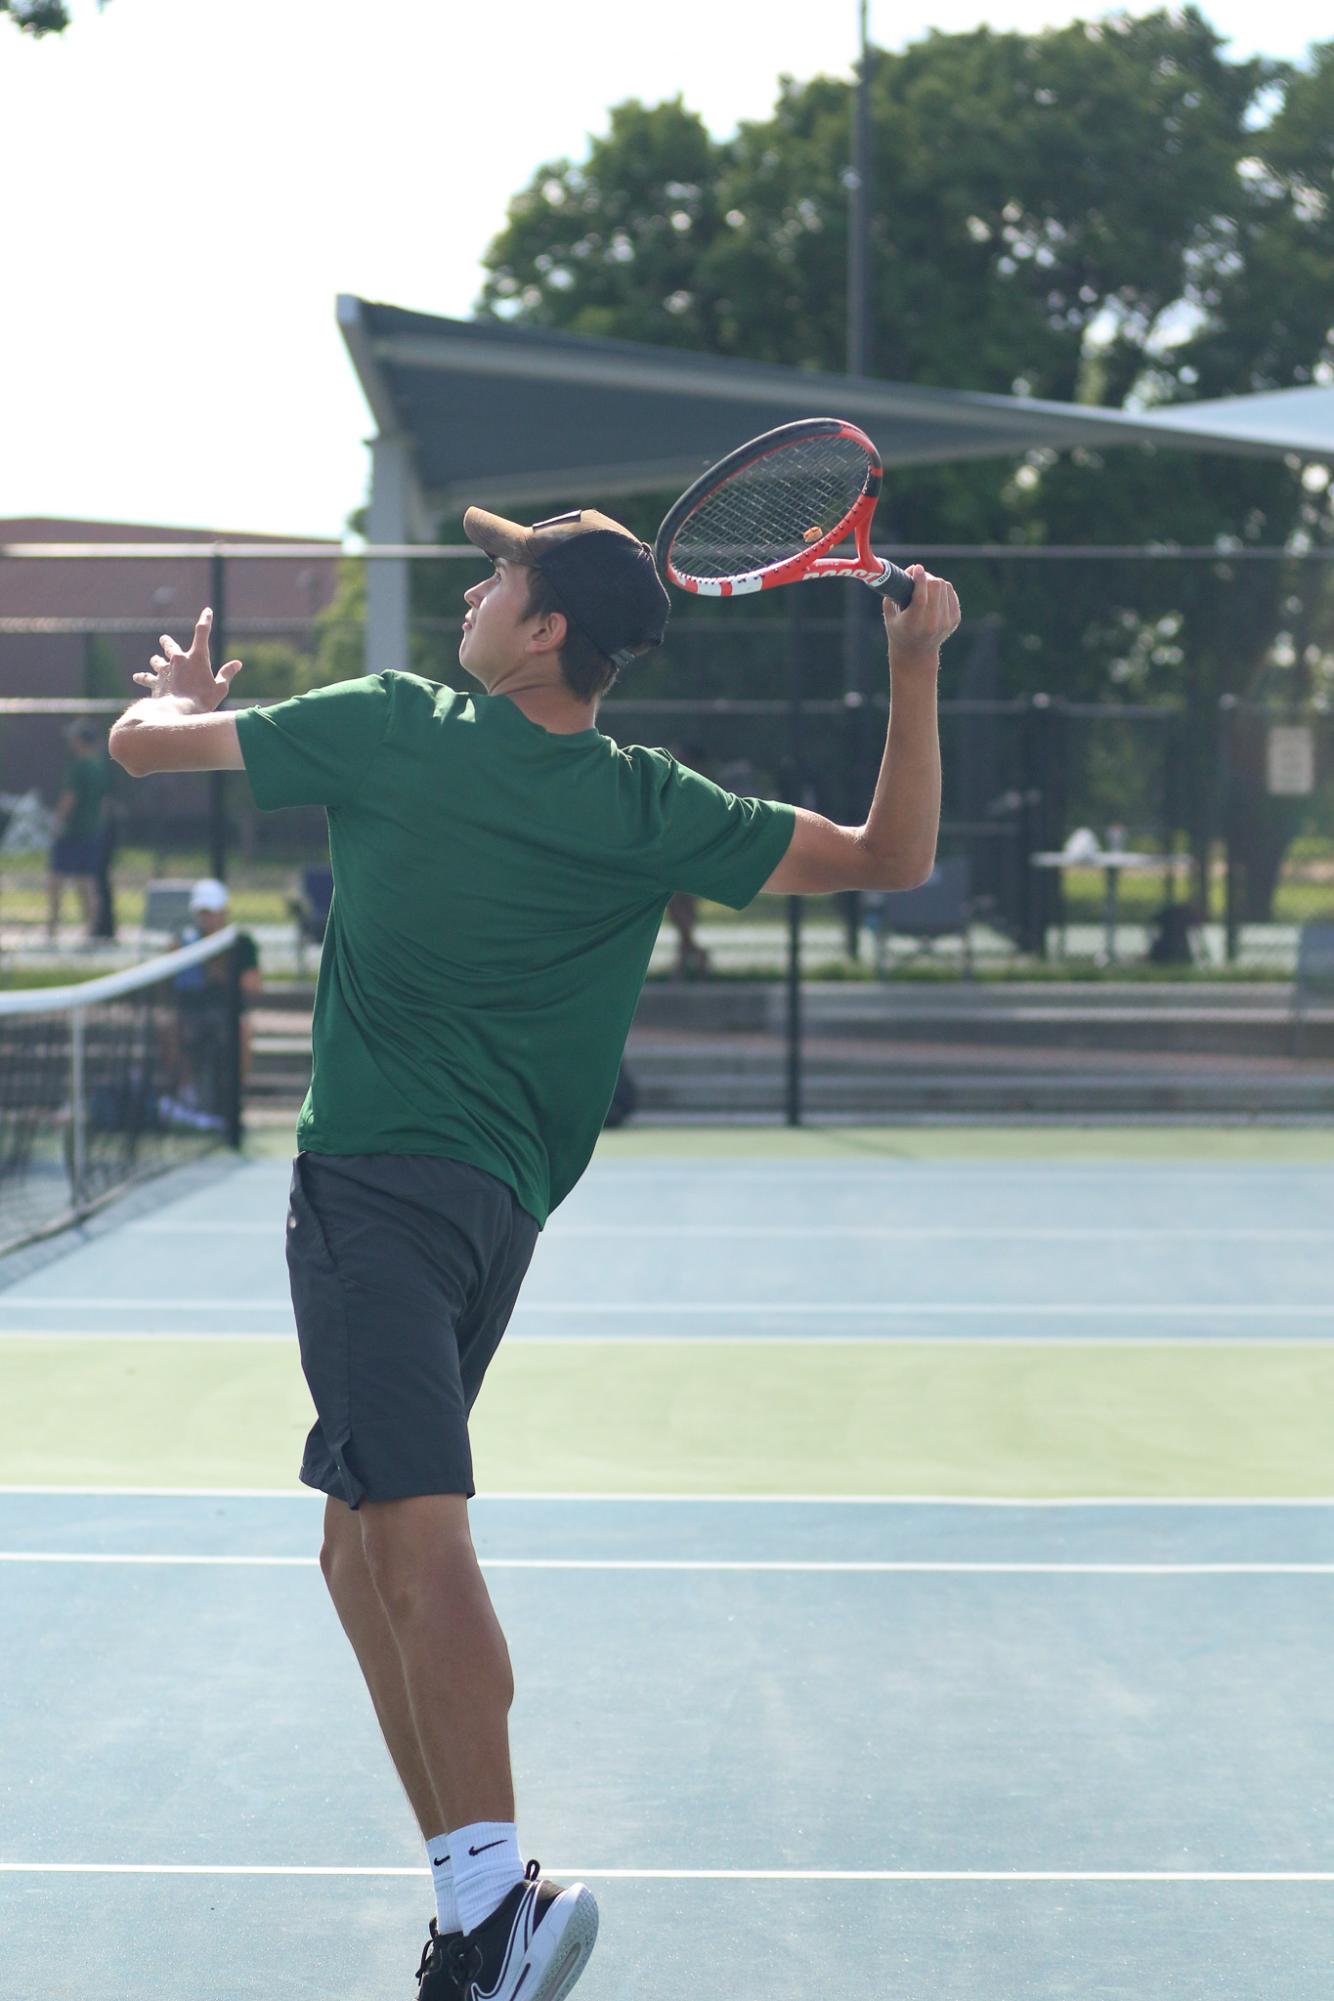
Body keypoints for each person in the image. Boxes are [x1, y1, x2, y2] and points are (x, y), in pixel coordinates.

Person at [109, 508, 959, 2001]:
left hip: (371, 1186)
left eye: (499, 577)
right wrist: (916, 665)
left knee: (413, 1541)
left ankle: (496, 1901)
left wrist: (178, 697)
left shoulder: (395, 728)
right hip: (497, 1212)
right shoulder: (645, 803)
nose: (477, 589)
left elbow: (135, 751)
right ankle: (469, 1901)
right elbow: (895, 854)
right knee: (354, 1544)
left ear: (547, 628)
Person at [158, 878, 262, 1126]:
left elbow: (253, 986)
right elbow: (166, 984)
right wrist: (174, 960)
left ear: (223, 912)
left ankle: (234, 1096)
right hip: (191, 1012)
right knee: (167, 1025)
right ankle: (187, 1094)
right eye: (201, 913)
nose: (206, 919)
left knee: (243, 1028)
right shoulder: (184, 941)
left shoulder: (241, 942)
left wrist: (220, 969)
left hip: (226, 1014)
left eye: (211, 912)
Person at [46, 718, 112, 945]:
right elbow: (103, 803)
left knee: (56, 879)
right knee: (87, 881)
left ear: (81, 740)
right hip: (92, 831)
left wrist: (56, 822)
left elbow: (69, 798)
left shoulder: (78, 766)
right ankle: (90, 929)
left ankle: (52, 927)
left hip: (71, 832)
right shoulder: (99, 767)